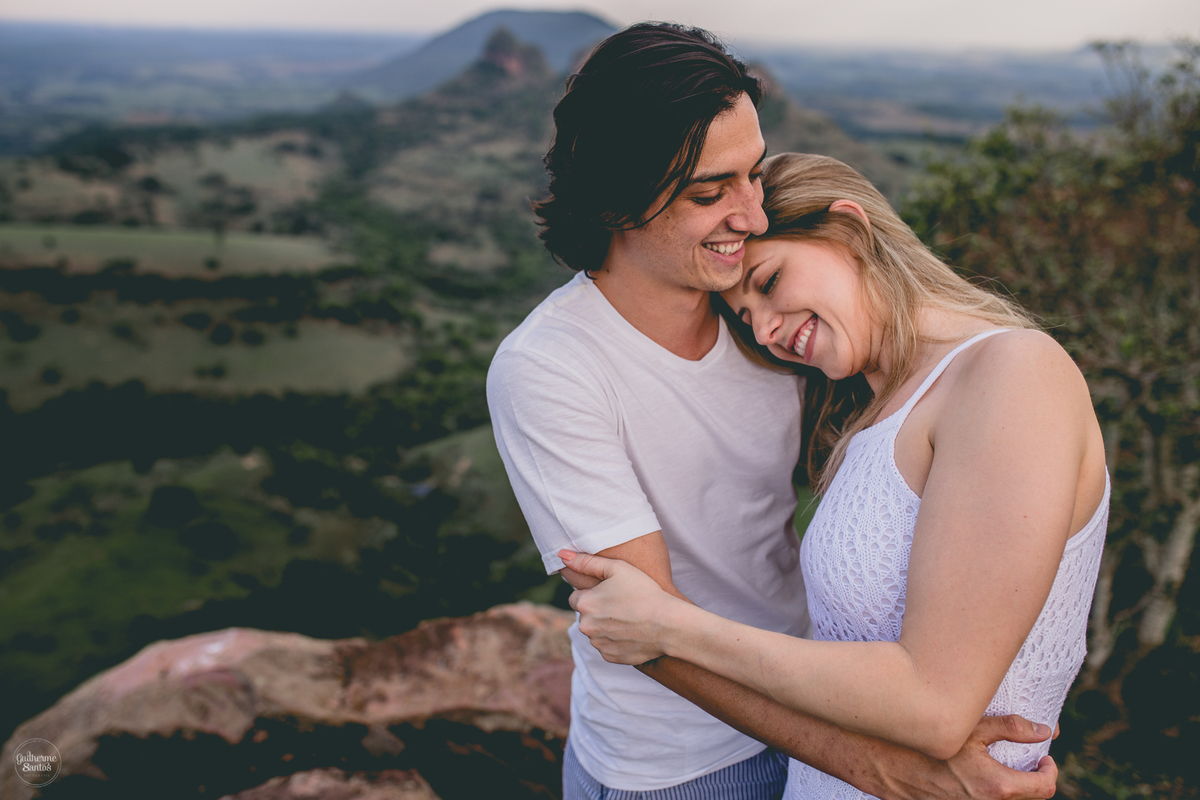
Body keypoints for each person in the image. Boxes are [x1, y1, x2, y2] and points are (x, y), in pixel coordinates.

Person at [488, 22, 1062, 800]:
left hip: (818, 705)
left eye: (752, 175)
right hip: (678, 761)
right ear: (620, 201)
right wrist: (874, 767)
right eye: (708, 192)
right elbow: (648, 635)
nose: (752, 215)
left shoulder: (770, 328)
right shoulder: (553, 367)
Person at [560, 152, 1108, 800]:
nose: (763, 330)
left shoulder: (1013, 374)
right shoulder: (878, 409)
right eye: (741, 317)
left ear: (848, 230)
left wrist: (672, 626)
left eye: (766, 284)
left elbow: (935, 704)